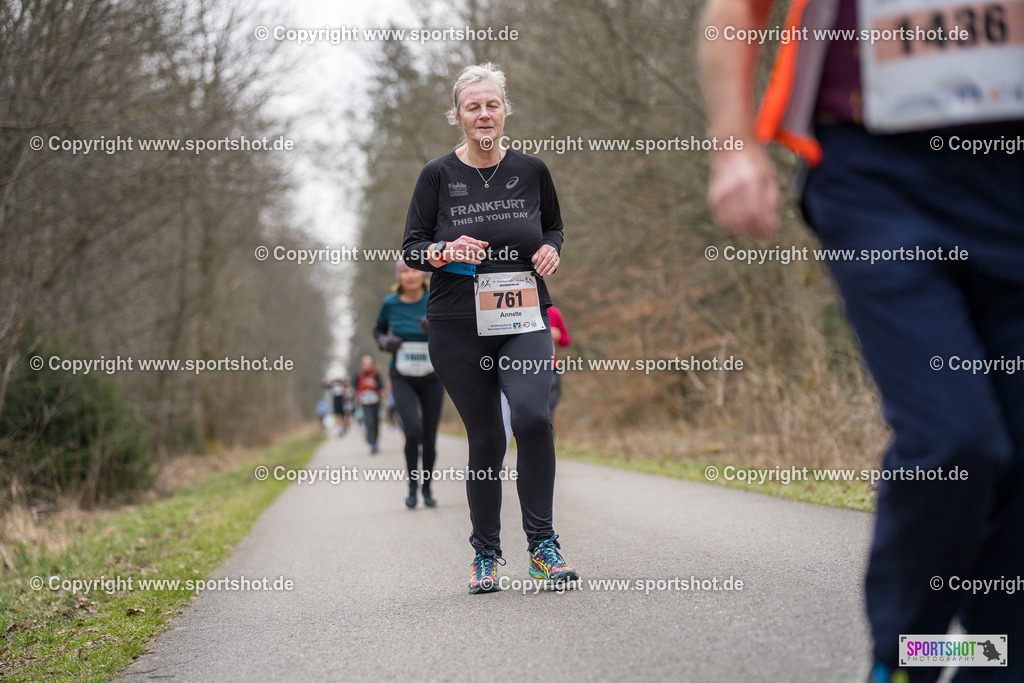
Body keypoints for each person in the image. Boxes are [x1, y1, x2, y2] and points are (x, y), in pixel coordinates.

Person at [700, 2, 1023, 681]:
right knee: (956, 438)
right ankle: (904, 657)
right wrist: (733, 144)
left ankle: (990, 659)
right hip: (875, 172)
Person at [402, 62, 580, 594]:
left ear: (506, 111)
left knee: (532, 418)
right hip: (457, 323)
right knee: (486, 437)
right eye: (473, 106)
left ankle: (543, 546)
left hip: (523, 314)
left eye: (492, 104)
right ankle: (486, 553)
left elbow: (553, 225)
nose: (484, 114)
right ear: (457, 115)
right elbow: (411, 248)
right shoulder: (437, 175)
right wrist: (443, 250)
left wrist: (550, 247)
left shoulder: (532, 170)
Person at [374, 259, 445, 509]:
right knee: (412, 430)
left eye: (414, 270)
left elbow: (453, 331)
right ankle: (412, 488)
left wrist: (435, 328)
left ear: (422, 274)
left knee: (429, 434)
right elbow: (378, 331)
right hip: (401, 375)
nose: (410, 275)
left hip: (432, 375)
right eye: (405, 271)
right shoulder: (390, 303)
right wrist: (385, 342)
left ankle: (427, 489)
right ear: (399, 277)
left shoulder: (434, 298)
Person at [353, 355, 383, 454]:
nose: (367, 366)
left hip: (375, 400)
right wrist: (357, 395)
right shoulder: (359, 375)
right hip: (365, 402)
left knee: (375, 422)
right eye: (365, 364)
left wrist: (374, 384)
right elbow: (355, 387)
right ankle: (372, 444)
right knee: (369, 421)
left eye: (369, 363)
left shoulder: (376, 374)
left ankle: (375, 441)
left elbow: (381, 386)